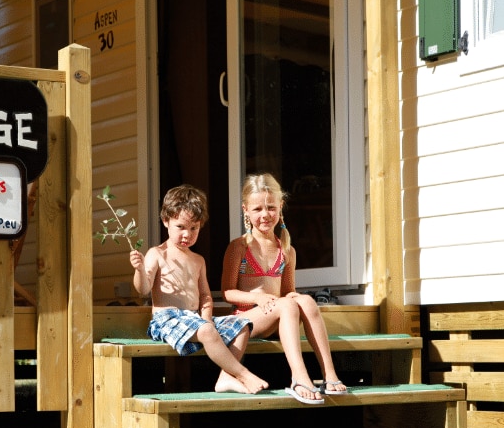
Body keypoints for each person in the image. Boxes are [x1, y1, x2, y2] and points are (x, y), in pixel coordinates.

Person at [130, 184, 269, 395]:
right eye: (181, 227)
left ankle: (226, 378)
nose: (187, 234)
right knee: (205, 330)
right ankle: (243, 374)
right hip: (167, 320)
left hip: (195, 321)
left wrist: (207, 319)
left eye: (194, 228)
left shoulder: (198, 260)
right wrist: (139, 269)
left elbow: (205, 296)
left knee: (242, 325)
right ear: (166, 221)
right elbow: (143, 289)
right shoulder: (157, 254)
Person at [221, 173, 346, 404]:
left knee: (306, 300)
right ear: (245, 210)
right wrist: (256, 299)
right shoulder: (239, 247)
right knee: (289, 303)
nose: (265, 215)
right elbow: (227, 292)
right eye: (257, 209)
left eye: (270, 207)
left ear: (281, 206)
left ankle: (329, 374)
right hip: (246, 318)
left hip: (276, 315)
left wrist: (294, 296)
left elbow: (287, 290)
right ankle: (299, 376)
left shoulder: (287, 250)